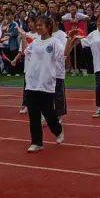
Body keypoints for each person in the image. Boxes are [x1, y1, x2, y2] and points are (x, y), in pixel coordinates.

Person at [21, 15, 65, 152]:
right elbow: (25, 52)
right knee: (33, 114)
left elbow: (62, 56)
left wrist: (71, 42)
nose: (38, 27)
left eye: (41, 25)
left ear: (48, 27)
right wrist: (23, 37)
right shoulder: (35, 42)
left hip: (46, 82)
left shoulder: (54, 42)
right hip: (32, 82)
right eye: (37, 25)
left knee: (49, 112)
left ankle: (58, 130)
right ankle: (37, 142)